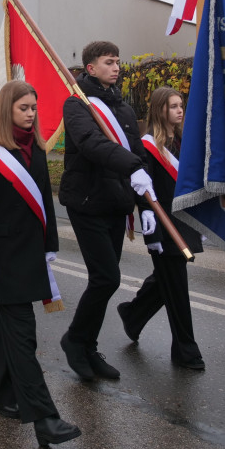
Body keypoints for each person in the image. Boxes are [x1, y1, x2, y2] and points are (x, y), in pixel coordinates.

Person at [0, 80, 82, 447]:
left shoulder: (36, 150)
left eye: (34, 107)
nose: (32, 113)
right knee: (23, 336)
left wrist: (50, 243)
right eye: (24, 108)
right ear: (8, 110)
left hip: (31, 253)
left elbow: (45, 203)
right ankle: (45, 418)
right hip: (2, 259)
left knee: (10, 329)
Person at [58, 40, 153, 382]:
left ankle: (88, 346)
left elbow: (139, 157)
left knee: (105, 280)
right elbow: (92, 145)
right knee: (106, 277)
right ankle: (74, 341)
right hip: (87, 201)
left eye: (118, 61)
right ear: (91, 67)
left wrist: (145, 204)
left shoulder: (124, 109)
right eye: (109, 62)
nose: (116, 67)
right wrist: (133, 166)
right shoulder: (77, 104)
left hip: (115, 203)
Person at [118, 86, 205, 369]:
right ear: (160, 110)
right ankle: (185, 351)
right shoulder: (147, 147)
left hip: (184, 221)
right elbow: (143, 193)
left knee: (166, 281)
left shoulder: (180, 142)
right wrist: (151, 231)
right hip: (164, 226)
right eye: (174, 106)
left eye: (181, 105)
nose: (180, 110)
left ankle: (133, 314)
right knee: (176, 287)